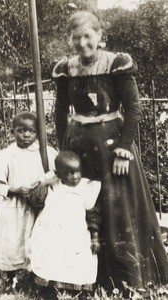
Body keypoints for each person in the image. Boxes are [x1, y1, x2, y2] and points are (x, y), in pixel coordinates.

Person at [52, 11, 168, 291]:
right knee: (81, 206)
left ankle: (126, 279)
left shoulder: (117, 63)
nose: (82, 43)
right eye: (75, 37)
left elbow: (134, 109)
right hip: (79, 150)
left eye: (87, 36)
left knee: (118, 209)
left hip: (112, 149)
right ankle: (82, 278)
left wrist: (123, 150)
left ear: (99, 36)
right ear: (70, 40)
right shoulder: (66, 69)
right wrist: (62, 150)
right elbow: (59, 111)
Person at [0, 111, 58, 285]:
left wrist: (42, 185)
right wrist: (15, 190)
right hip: (14, 207)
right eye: (21, 130)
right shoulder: (6, 155)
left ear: (38, 133)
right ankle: (11, 277)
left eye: (31, 131)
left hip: (38, 206)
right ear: (12, 132)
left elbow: (57, 174)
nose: (26, 134)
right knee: (12, 240)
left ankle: (37, 275)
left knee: (37, 239)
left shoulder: (47, 153)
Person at [30, 151, 101, 298]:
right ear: (59, 173)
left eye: (77, 172)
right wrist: (45, 183)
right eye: (69, 173)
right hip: (51, 233)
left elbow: (93, 214)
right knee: (51, 259)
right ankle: (49, 289)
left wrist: (95, 237)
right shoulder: (52, 187)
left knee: (79, 260)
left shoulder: (86, 188)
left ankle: (78, 289)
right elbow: (34, 201)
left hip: (76, 234)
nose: (75, 176)